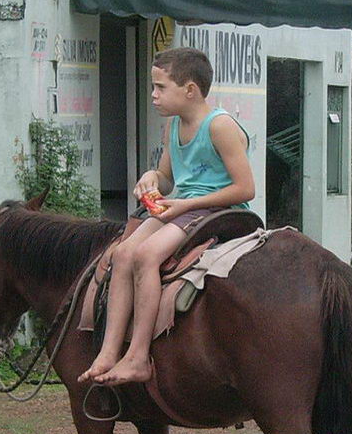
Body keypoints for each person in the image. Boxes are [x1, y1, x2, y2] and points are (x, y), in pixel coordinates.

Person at [78, 47, 255, 386]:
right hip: (182, 208)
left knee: (146, 255)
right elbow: (168, 178)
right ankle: (108, 350)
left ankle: (139, 356)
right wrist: (151, 178)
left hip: (215, 210)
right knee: (122, 252)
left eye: (160, 87)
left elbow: (245, 188)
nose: (154, 96)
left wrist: (186, 205)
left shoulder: (219, 126)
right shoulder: (173, 127)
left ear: (190, 89)